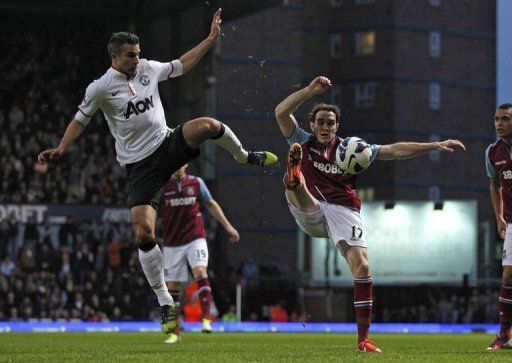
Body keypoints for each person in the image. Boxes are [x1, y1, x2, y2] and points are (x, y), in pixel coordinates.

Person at [37, 9, 277, 336]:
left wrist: (209, 40)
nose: (137, 59)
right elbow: (80, 120)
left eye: (138, 53)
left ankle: (245, 156)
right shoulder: (100, 88)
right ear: (114, 57)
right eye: (131, 55)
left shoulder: (148, 68)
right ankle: (166, 301)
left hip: (166, 143)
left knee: (208, 125)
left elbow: (181, 64)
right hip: (139, 167)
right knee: (143, 234)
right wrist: (62, 148)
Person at [274, 76, 466, 353]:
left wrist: (432, 146)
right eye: (320, 122)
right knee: (295, 185)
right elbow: (280, 112)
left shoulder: (354, 150)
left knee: (362, 267)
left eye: (330, 123)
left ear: (337, 126)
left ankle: (363, 340)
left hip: (344, 210)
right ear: (313, 125)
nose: (325, 126)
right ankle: (293, 178)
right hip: (311, 206)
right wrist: (308, 91)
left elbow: (395, 150)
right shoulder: (302, 141)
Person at [158, 164, 239, 344]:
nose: (177, 167)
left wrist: (228, 227)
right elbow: (152, 208)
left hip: (195, 237)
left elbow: (211, 203)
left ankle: (206, 319)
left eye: (181, 163)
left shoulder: (196, 183)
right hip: (172, 242)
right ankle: (175, 333)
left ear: (186, 164)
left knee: (201, 272)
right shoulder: (162, 186)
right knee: (173, 288)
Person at [485, 102, 512, 350]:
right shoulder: (493, 152)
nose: (499, 124)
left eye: (504, 119)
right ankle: (504, 335)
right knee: (507, 274)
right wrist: (499, 217)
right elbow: (494, 185)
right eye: (496, 119)